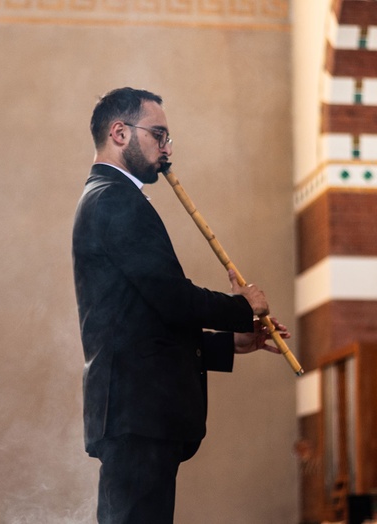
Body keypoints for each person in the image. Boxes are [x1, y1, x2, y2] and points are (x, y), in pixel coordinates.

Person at [72, 87, 290, 524]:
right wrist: (242, 306)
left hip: (136, 412)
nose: (166, 149)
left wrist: (231, 344)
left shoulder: (111, 197)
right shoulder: (114, 199)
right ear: (120, 132)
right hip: (137, 414)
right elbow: (171, 298)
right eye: (158, 135)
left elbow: (141, 328)